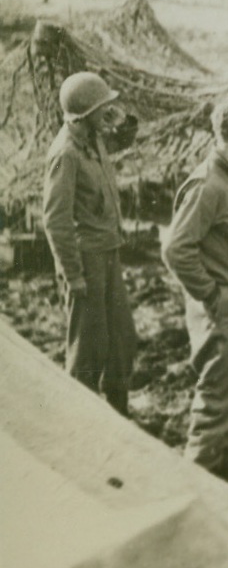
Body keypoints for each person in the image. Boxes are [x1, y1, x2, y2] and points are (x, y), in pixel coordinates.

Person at [161, 96, 228, 482]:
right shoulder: (208, 185)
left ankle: (221, 471)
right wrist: (211, 295)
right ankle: (195, 484)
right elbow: (176, 248)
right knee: (221, 395)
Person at [42, 71, 138, 415]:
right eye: (102, 107)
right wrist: (74, 275)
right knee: (88, 350)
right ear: (84, 115)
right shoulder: (66, 154)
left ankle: (118, 411)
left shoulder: (92, 139)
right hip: (86, 261)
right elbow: (55, 220)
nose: (107, 113)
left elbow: (123, 137)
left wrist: (121, 118)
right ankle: (78, 420)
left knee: (122, 338)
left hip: (108, 253)